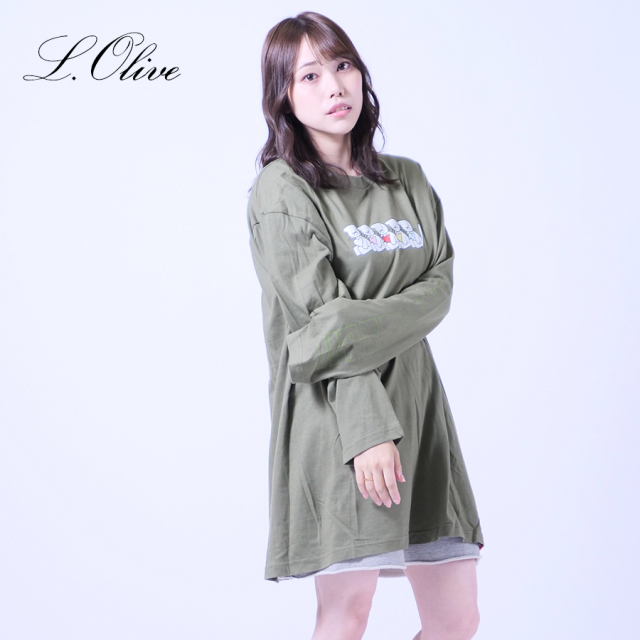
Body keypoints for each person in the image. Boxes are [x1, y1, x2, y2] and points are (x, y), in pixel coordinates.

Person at [246, 11, 485, 640]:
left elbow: (439, 289)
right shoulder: (282, 190)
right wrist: (367, 430)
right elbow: (319, 325)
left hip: (420, 409)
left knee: (457, 619)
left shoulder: (407, 179)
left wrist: (359, 317)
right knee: (347, 614)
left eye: (343, 66)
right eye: (310, 75)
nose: (334, 86)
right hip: (341, 416)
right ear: (284, 96)